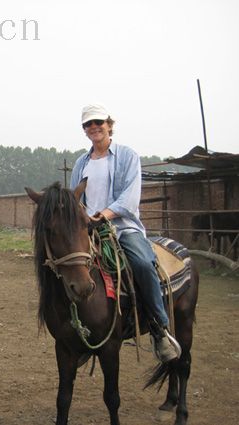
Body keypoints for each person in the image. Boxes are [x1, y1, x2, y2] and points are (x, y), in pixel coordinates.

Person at [69, 103, 181, 363]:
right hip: (88, 228)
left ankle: (158, 327)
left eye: (98, 122)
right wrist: (81, 219)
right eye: (88, 124)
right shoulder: (81, 163)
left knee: (142, 263)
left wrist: (102, 216)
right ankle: (80, 331)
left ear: (109, 124)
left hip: (121, 227)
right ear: (84, 130)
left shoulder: (127, 156)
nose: (94, 127)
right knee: (67, 267)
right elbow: (74, 197)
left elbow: (129, 199)